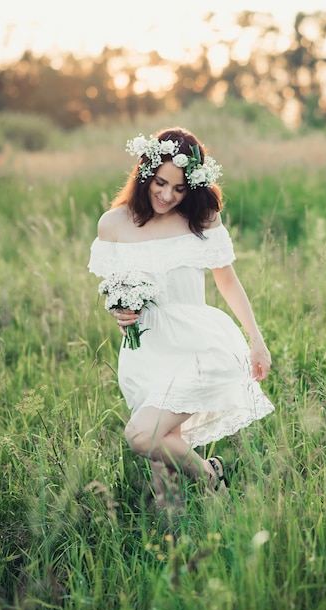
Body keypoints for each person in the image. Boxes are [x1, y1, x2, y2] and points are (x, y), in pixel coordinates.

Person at [88, 127, 274, 510]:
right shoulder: (113, 224)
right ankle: (189, 537)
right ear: (145, 173)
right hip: (145, 353)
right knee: (165, 490)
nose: (168, 195)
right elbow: (114, 293)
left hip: (197, 346)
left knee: (142, 436)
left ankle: (209, 476)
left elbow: (227, 280)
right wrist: (119, 312)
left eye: (179, 188)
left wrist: (256, 339)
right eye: (160, 183)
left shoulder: (200, 219)